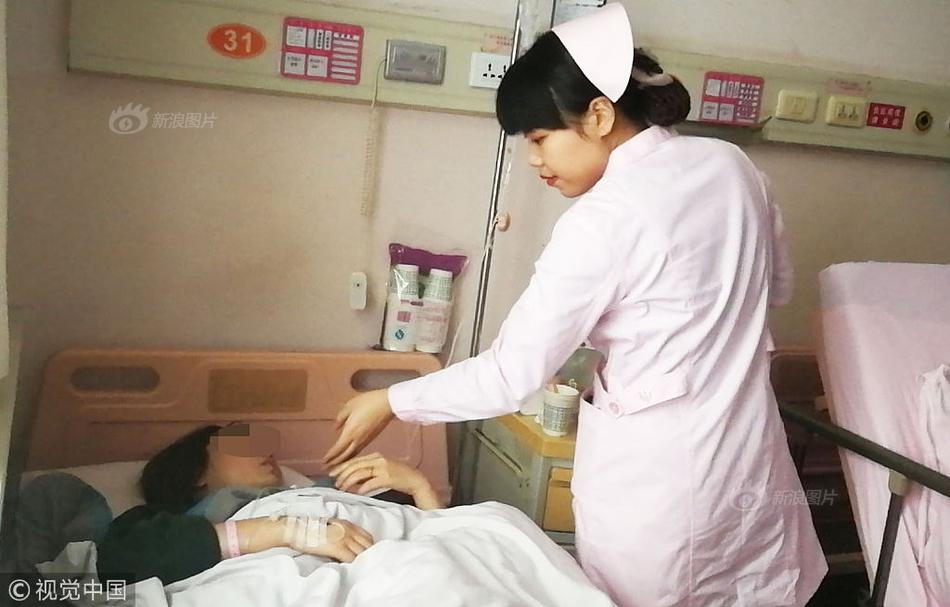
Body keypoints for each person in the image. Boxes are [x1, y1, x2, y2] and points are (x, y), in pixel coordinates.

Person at [324, 4, 827, 606]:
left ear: (599, 115)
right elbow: (778, 287)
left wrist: (392, 399)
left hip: (659, 492)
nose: (533, 159)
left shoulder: (603, 219)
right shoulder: (732, 165)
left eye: (540, 138)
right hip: (748, 461)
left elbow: (510, 375)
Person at [97, 423, 443, 585]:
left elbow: (442, 542)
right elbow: (114, 563)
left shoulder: (327, 493)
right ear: (196, 473)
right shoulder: (164, 529)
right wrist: (284, 531)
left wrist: (419, 486)